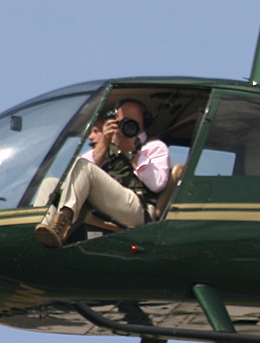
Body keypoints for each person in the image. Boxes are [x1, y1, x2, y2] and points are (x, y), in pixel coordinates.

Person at [35, 99, 171, 248]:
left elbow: (157, 184)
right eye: (122, 121)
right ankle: (40, 232)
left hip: (138, 208)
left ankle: (62, 224)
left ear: (144, 123)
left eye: (133, 122)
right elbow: (76, 179)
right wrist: (105, 142)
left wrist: (131, 153)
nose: (127, 126)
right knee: (50, 184)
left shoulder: (153, 147)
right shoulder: (107, 147)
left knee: (85, 167)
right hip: (106, 204)